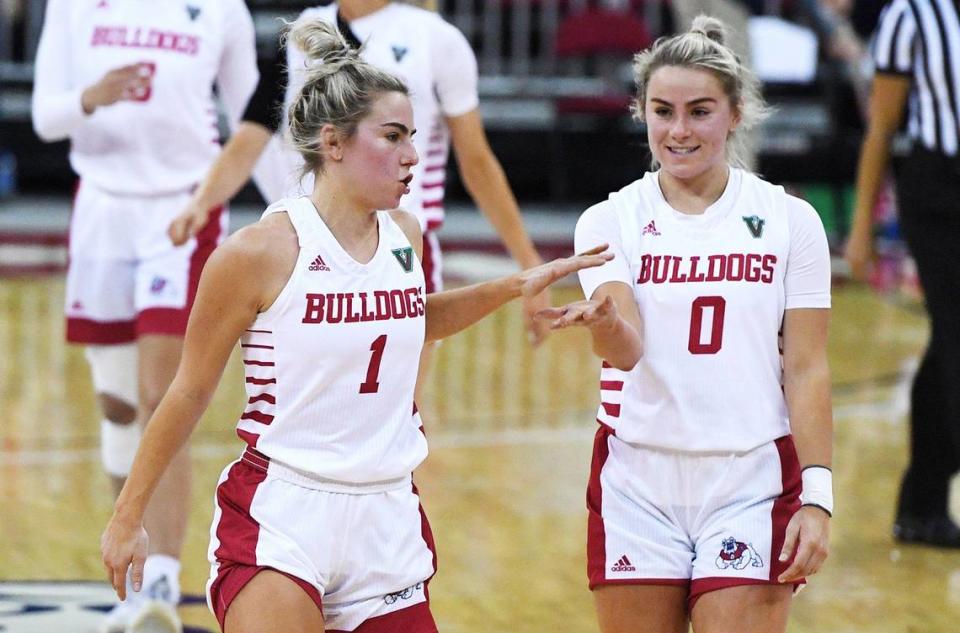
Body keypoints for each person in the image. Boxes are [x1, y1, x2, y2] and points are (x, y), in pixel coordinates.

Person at [100, 19, 612, 633]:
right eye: (393, 137)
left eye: (414, 138)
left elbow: (415, 319)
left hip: (386, 515)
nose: (412, 157)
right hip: (283, 514)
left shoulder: (406, 236)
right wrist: (129, 516)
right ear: (333, 142)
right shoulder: (256, 254)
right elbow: (186, 392)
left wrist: (511, 286)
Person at [539, 16, 834, 633]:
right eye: (662, 110)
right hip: (635, 481)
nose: (678, 130)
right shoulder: (609, 220)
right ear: (641, 112)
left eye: (699, 111)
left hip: (751, 478)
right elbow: (626, 349)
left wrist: (818, 497)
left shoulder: (791, 220)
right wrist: (603, 322)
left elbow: (807, 369)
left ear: (736, 113)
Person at [167, 0, 551, 402]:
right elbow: (250, 137)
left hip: (400, 249)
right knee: (303, 408)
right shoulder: (301, 33)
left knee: (395, 415)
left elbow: (476, 161)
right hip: (305, 250)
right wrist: (202, 202)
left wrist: (528, 261)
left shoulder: (437, 39)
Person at [30, 1, 258, 631]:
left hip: (184, 212)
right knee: (118, 405)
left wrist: (302, 207)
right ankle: (130, 564)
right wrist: (92, 97)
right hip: (103, 208)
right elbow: (45, 118)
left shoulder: (221, 11)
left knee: (163, 394)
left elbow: (254, 122)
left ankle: (160, 576)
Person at [845, 0, 960, 548]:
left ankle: (922, 505)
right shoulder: (910, 15)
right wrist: (862, 228)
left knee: (949, 344)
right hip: (938, 191)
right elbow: (882, 127)